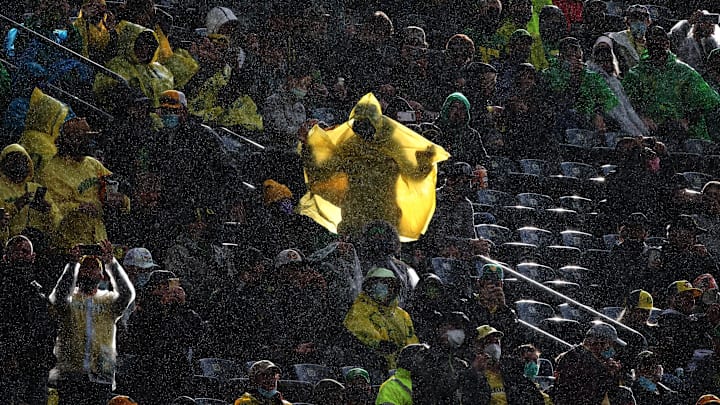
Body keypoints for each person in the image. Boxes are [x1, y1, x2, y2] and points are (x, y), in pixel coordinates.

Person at [299, 92, 449, 241]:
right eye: (360, 123)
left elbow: (413, 175)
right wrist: (311, 147)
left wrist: (425, 160)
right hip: (355, 214)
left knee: (382, 255)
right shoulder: (349, 146)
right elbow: (325, 170)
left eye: (367, 123)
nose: (363, 128)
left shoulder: (392, 145)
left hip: (383, 215)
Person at [47, 240, 135, 405]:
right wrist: (72, 264)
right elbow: (58, 297)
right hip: (71, 375)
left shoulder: (108, 300)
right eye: (84, 267)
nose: (88, 271)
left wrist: (110, 261)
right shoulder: (70, 300)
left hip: (101, 374)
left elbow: (126, 295)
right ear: (79, 273)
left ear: (101, 275)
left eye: (93, 267)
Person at [35, 118, 128, 252]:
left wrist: (122, 201)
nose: (89, 143)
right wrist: (78, 207)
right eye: (84, 138)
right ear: (70, 141)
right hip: (70, 245)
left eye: (89, 138)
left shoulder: (93, 164)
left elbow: (115, 190)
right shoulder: (51, 170)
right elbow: (50, 208)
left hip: (99, 241)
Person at [622, 25, 720, 145]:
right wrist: (641, 117)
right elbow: (626, 105)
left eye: (660, 40)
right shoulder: (635, 75)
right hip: (650, 135)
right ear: (646, 44)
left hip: (687, 136)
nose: (656, 45)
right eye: (652, 41)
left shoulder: (683, 71)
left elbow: (709, 101)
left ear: (667, 44)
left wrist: (687, 120)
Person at [124, 270, 205, 403]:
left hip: (178, 371)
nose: (169, 291)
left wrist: (182, 307)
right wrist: (161, 308)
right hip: (149, 372)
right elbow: (143, 337)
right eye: (164, 287)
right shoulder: (142, 311)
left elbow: (195, 336)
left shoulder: (182, 313)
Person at [0, 235, 55, 404]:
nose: (21, 256)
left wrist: (47, 356)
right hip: (12, 365)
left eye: (25, 252)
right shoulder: (4, 286)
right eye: (16, 252)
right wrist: (7, 356)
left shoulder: (39, 287)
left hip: (38, 364)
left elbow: (47, 324)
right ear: (6, 256)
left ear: (33, 256)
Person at [344, 266, 419, 370]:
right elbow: (359, 332)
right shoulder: (360, 309)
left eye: (388, 284)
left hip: (401, 370)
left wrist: (410, 357)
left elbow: (412, 342)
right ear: (369, 286)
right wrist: (379, 344)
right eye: (379, 282)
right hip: (373, 365)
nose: (384, 287)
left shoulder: (402, 315)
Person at [541, 36, 618, 134]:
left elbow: (609, 99)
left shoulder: (591, 76)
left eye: (577, 56)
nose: (574, 60)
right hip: (562, 122)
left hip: (589, 120)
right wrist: (573, 80)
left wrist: (598, 112)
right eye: (569, 56)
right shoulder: (550, 74)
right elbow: (557, 99)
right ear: (561, 57)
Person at [92, 21, 174, 109]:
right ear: (130, 43)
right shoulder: (118, 64)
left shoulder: (154, 68)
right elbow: (108, 90)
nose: (144, 51)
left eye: (148, 48)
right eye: (140, 45)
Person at [457, 325, 545, 404]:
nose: (494, 346)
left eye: (496, 342)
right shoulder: (468, 373)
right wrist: (475, 372)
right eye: (488, 342)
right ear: (476, 346)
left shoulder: (509, 372)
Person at [587, 36, 649, 136]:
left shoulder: (615, 80)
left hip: (622, 120)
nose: (604, 56)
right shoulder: (589, 76)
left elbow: (627, 108)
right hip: (609, 121)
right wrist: (597, 114)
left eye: (607, 51)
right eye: (600, 51)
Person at [554, 322, 626, 405]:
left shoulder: (587, 358)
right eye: (610, 344)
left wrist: (612, 372)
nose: (612, 349)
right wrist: (607, 372)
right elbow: (587, 392)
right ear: (599, 343)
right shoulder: (577, 358)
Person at [0, 143, 58, 245]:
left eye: (22, 159)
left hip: (38, 243)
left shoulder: (36, 188)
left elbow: (57, 221)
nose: (18, 163)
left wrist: (47, 211)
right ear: (4, 163)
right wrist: (15, 206)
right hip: (10, 244)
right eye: (13, 159)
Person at [463, 264, 522, 352]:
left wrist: (503, 308)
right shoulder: (468, 304)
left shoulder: (509, 312)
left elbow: (512, 339)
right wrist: (482, 305)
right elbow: (472, 333)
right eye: (488, 281)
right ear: (479, 283)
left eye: (496, 283)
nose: (492, 286)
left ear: (501, 285)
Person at [656, 280, 708, 371]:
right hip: (679, 372)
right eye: (685, 296)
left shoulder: (690, 319)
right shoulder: (668, 319)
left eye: (692, 296)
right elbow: (680, 351)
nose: (691, 300)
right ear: (671, 299)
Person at [432, 93, 489, 166]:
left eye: (462, 109)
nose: (458, 112)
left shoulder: (472, 135)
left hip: (467, 175)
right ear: (447, 109)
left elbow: (482, 159)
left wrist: (480, 167)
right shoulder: (433, 130)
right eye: (454, 107)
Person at [670, 10, 720, 76]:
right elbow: (674, 36)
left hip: (706, 80)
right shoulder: (687, 42)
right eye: (705, 22)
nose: (709, 25)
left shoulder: (710, 42)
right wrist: (689, 22)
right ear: (697, 24)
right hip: (688, 77)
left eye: (711, 23)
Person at [609, 5, 653, 76]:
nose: (638, 22)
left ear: (648, 22)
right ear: (628, 21)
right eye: (635, 19)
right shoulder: (617, 39)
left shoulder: (652, 43)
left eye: (642, 19)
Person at [695, 181, 720, 264]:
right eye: (708, 195)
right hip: (700, 262)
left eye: (716, 195)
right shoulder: (692, 219)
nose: (712, 199)